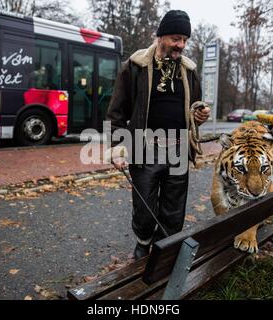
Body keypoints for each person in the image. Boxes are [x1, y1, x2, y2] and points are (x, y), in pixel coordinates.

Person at [106, 10, 210, 260]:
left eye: (185, 40)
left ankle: (165, 249)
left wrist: (199, 116)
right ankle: (143, 242)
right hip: (145, 149)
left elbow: (194, 107)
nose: (181, 45)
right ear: (161, 36)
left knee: (174, 208)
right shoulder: (135, 66)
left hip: (178, 149)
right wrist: (119, 147)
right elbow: (117, 111)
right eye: (176, 38)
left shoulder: (189, 71)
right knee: (144, 206)